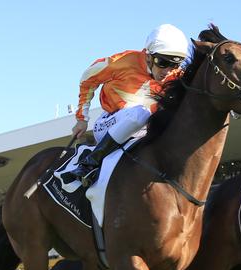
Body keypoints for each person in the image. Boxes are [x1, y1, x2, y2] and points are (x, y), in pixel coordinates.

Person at [70, 24, 189, 186]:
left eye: (175, 64)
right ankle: (91, 162)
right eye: (162, 62)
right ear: (148, 56)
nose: (168, 71)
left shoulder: (176, 76)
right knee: (140, 113)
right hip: (108, 125)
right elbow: (87, 77)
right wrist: (82, 119)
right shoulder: (123, 61)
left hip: (144, 131)